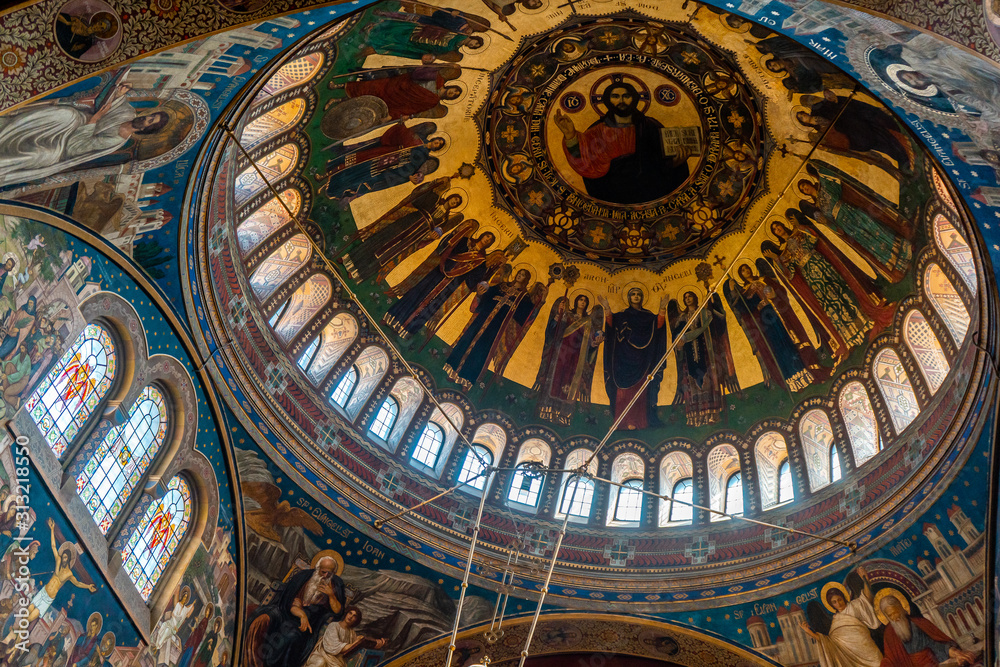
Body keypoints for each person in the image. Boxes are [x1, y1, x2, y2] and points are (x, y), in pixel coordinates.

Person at [0, 84, 169, 187]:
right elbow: (116, 101)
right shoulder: (128, 112)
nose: (146, 118)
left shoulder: (115, 140)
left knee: (42, 154)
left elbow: (75, 148)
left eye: (150, 121)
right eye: (150, 116)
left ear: (145, 130)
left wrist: (94, 120)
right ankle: (5, 129)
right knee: (67, 115)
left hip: (64, 146)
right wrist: (121, 92)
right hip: (76, 122)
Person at [553, 80, 690, 204]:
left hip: (649, 194)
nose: (621, 100)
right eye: (615, 96)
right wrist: (570, 135)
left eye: (626, 96)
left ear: (634, 98)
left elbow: (662, 162)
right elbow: (583, 161)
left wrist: (675, 163)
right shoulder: (597, 131)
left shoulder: (651, 127)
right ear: (608, 100)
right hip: (611, 196)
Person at [383, 227, 498, 340]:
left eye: (490, 240)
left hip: (450, 286)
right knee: (417, 293)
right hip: (439, 272)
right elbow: (446, 248)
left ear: (490, 245)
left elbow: (473, 281)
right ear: (482, 235)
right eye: (487, 236)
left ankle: (406, 331)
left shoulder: (481, 262)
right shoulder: (464, 241)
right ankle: (392, 318)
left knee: (430, 307)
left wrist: (481, 281)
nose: (487, 240)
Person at [340, 179, 464, 283]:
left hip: (412, 237)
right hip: (405, 224)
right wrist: (433, 186)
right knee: (377, 241)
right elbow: (417, 199)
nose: (454, 202)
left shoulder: (444, 219)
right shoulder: (435, 198)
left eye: (456, 203)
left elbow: (436, 232)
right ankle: (347, 260)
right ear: (450, 197)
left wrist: (433, 235)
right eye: (455, 199)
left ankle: (357, 273)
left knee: (386, 255)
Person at [443, 267, 547, 391]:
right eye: (519, 273)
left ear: (526, 279)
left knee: (480, 352)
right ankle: (453, 373)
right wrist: (480, 293)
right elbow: (485, 296)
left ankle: (466, 381)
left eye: (523, 274)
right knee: (466, 341)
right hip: (481, 319)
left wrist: (542, 301)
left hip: (495, 328)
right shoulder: (501, 286)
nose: (519, 275)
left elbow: (527, 316)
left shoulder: (523, 297)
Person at [724, 263, 818, 393]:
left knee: (791, 342)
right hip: (766, 318)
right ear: (741, 275)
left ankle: (805, 373)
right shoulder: (745, 292)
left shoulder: (762, 280)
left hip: (778, 311)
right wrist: (733, 290)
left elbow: (779, 292)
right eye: (743, 270)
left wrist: (773, 295)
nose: (746, 271)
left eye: (747, 268)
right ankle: (794, 380)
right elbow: (743, 308)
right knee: (779, 347)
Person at [241, 556, 347, 667]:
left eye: (329, 574)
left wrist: (331, 595)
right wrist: (300, 612)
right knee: (263, 618)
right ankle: (249, 660)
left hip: (308, 622)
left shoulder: (336, 584)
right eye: (323, 572)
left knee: (290, 637)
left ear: (334, 573)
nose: (325, 576)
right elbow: (288, 597)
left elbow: (338, 612)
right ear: (317, 568)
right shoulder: (303, 576)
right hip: (285, 611)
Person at [321, 122, 444, 205]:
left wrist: (411, 175)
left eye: (439, 145)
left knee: (359, 175)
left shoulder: (423, 156)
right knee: (355, 160)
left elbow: (410, 167)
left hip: (385, 164)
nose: (436, 143)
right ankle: (328, 173)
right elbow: (402, 134)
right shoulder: (419, 138)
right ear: (434, 139)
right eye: (438, 141)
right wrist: (401, 126)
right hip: (382, 152)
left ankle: (332, 188)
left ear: (436, 148)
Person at [597, 288, 667, 430]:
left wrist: (662, 309)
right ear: (629, 298)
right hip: (623, 358)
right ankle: (621, 422)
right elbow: (611, 325)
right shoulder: (622, 315)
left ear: (642, 298)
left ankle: (638, 422)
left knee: (640, 390)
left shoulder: (648, 317)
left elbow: (658, 327)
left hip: (643, 359)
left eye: (638, 294)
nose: (636, 297)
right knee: (622, 391)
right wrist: (607, 308)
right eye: (633, 294)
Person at [668, 291, 738, 427]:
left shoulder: (705, 313)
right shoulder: (682, 318)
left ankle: (713, 414)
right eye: (685, 297)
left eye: (690, 296)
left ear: (695, 298)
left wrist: (714, 305)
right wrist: (679, 344)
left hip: (706, 352)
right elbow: (677, 336)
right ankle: (695, 417)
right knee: (691, 385)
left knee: (709, 381)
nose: (688, 299)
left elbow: (718, 327)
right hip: (688, 357)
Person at [533, 294, 604, 426]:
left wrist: (596, 343)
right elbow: (554, 332)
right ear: (576, 301)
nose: (582, 302)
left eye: (585, 300)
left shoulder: (588, 321)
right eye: (580, 299)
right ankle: (547, 410)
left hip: (577, 357)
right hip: (561, 352)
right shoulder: (566, 314)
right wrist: (558, 316)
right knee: (556, 378)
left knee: (570, 382)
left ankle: (563, 415)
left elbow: (591, 343)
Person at [801, 568, 883, 667]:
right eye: (834, 602)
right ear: (831, 605)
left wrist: (865, 579)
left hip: (867, 649)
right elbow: (830, 643)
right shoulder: (836, 620)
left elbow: (867, 597)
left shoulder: (854, 605)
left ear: (843, 598)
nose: (838, 603)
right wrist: (809, 632)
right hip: (850, 657)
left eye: (839, 599)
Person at [25, 518, 96, 623]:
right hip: (44, 591)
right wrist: (52, 530)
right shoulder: (58, 560)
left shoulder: (69, 574)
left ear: (69, 560)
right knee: (29, 610)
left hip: (49, 598)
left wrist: (88, 586)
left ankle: (19, 630)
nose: (63, 559)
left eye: (65, 558)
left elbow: (77, 583)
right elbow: (53, 546)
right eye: (63, 557)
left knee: (32, 616)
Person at [330, 66, 463, 122]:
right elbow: (417, 73)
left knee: (369, 100)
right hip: (398, 84)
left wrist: (393, 115)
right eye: (455, 90)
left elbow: (413, 108)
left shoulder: (433, 101)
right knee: (369, 87)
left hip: (397, 99)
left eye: (454, 95)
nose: (453, 92)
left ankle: (337, 100)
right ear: (452, 86)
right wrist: (435, 68)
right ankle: (338, 86)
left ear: (450, 98)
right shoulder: (439, 79)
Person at [878, 594, 979, 667]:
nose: (895, 617)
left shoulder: (919, 623)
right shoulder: (889, 633)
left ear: (900, 608)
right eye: (890, 615)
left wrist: (956, 653)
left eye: (895, 612)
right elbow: (889, 659)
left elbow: (936, 645)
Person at [303, 608, 385, 667]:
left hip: (337, 660)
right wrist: (356, 642)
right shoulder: (333, 626)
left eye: (354, 616)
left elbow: (356, 646)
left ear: (356, 620)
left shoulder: (351, 633)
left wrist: (375, 643)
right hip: (323, 654)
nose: (351, 616)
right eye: (350, 613)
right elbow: (334, 648)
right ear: (346, 614)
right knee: (320, 663)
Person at [152, 586, 195, 666]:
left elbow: (187, 611)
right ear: (182, 597)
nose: (184, 599)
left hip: (174, 628)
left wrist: (193, 604)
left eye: (186, 598)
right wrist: (175, 624)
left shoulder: (184, 609)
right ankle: (156, 646)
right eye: (184, 597)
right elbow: (174, 614)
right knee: (163, 627)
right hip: (171, 622)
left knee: (166, 632)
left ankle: (157, 648)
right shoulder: (178, 604)